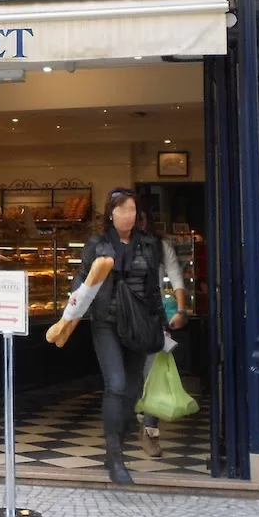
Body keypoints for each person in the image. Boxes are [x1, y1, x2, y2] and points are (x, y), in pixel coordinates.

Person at [72, 187, 166, 485]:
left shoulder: (149, 245)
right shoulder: (97, 244)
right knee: (116, 384)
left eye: (133, 211)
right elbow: (81, 278)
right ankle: (114, 457)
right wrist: (73, 301)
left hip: (139, 324)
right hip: (106, 322)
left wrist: (161, 324)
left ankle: (117, 446)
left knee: (132, 392)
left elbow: (154, 288)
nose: (129, 216)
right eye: (123, 210)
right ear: (111, 214)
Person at [137, 207, 188, 458]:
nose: (136, 221)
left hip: (153, 317)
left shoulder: (160, 245)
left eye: (140, 215)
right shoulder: (114, 246)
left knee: (152, 374)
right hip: (123, 319)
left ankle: (150, 430)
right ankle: (134, 418)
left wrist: (180, 309)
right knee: (127, 376)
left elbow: (176, 277)